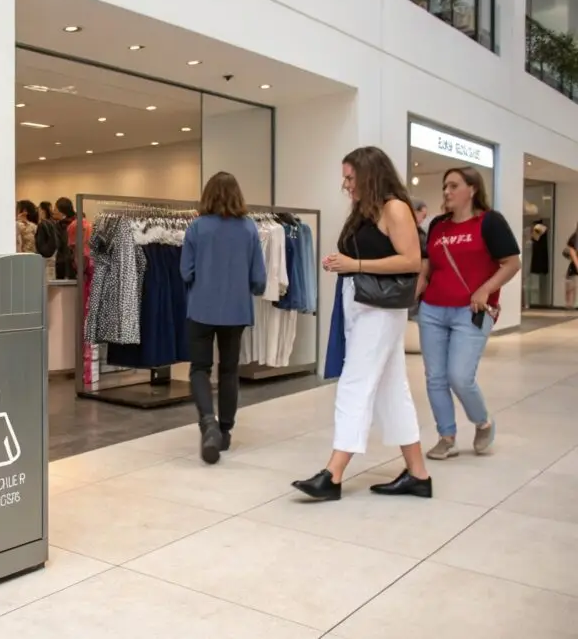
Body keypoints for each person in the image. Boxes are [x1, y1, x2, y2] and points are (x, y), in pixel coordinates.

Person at [293, 146, 432, 501]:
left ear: (370, 174)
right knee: (391, 390)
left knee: (355, 384)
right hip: (361, 305)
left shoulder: (394, 208)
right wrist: (342, 263)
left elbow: (411, 261)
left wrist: (354, 265)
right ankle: (418, 473)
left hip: (380, 310)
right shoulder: (365, 211)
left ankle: (333, 474)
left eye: (351, 177)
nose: (346, 184)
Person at [416, 167, 520, 460]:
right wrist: (415, 292)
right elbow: (428, 265)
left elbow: (512, 263)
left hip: (471, 311)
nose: (446, 192)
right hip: (433, 309)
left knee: (459, 376)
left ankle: (483, 421)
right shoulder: (438, 225)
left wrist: (485, 290)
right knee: (435, 377)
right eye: (444, 186)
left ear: (472, 189)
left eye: (453, 186)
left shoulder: (489, 222)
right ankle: (446, 437)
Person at [180, 172, 266, 464]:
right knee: (229, 370)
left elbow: (185, 272)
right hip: (236, 309)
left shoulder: (197, 227)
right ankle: (225, 431)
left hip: (201, 308)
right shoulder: (249, 228)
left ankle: (208, 423)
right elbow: (259, 278)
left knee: (199, 369)